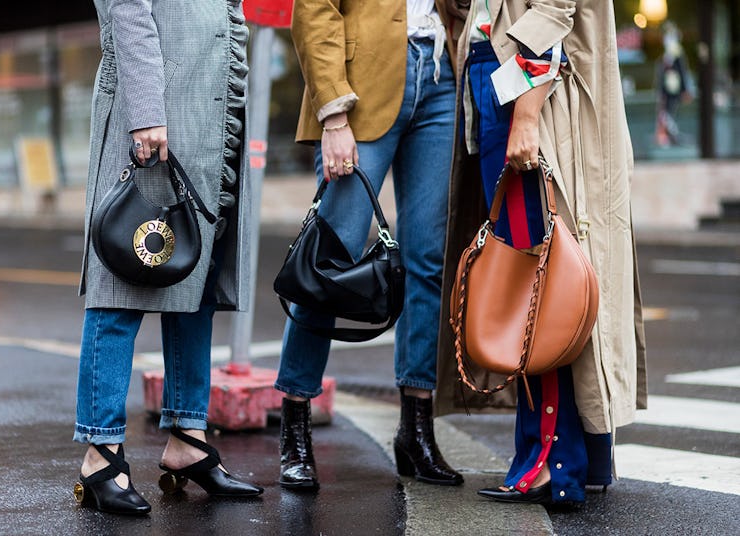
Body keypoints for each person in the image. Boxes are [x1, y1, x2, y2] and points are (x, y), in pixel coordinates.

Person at [436, 0, 647, 506]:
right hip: (498, 76)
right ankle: (583, 454)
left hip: (529, 90)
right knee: (539, 269)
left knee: (538, 281)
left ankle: (551, 460)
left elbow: (553, 10)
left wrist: (526, 115)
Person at [72, 0, 262, 516]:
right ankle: (100, 452)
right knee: (122, 280)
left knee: (193, 280)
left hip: (209, 119)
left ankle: (187, 440)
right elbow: (128, 9)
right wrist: (147, 113)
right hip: (153, 115)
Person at [274, 0, 467, 490]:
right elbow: (314, 10)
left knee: (426, 262)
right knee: (327, 263)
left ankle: (416, 429)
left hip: (440, 79)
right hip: (362, 85)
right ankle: (295, 422)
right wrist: (333, 114)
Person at [655, 22, 692, 147]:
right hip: (667, 91)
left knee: (668, 115)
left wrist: (685, 90)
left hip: (674, 91)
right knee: (665, 114)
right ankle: (672, 137)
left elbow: (682, 73)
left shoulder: (677, 57)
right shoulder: (665, 58)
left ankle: (674, 137)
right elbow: (662, 76)